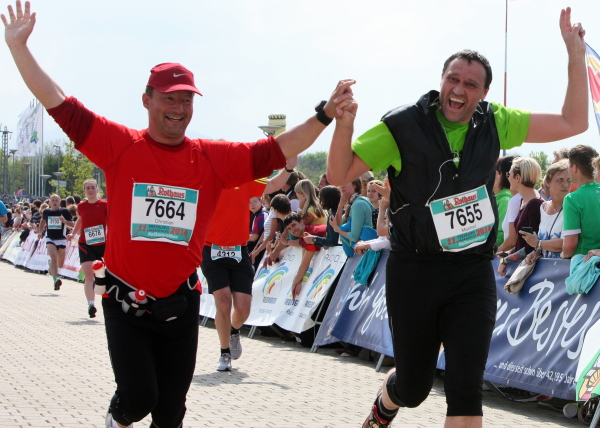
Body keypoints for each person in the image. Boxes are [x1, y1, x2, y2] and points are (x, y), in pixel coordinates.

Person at [2, 2, 356, 427]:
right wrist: (19, 47)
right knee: (137, 400)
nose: (178, 107)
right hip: (126, 303)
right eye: (169, 98)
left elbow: (276, 150)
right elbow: (59, 103)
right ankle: (118, 415)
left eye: (186, 99)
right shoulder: (119, 145)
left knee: (170, 415)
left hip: (180, 304)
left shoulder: (210, 157)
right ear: (147, 100)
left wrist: (324, 114)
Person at [326, 8, 588, 427]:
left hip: (471, 271)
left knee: (466, 388)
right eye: (453, 79)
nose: (459, 90)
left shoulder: (496, 122)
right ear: (441, 80)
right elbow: (339, 174)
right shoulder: (403, 126)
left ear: (483, 93)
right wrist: (344, 125)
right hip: (415, 270)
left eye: (470, 84)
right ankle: (386, 403)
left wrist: (574, 55)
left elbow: (573, 122)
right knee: (414, 387)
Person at [201, 161, 297, 373]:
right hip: (212, 250)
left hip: (238, 251)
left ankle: (234, 330)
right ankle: (224, 353)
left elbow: (273, 185)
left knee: (243, 309)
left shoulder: (245, 182)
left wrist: (288, 169)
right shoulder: (206, 181)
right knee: (223, 302)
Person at [66, 178, 108, 318]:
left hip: (102, 244)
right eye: (87, 188)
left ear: (97, 189)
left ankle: (108, 303)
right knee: (89, 275)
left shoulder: (104, 205)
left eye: (92, 187)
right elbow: (80, 220)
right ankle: (91, 304)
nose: (90, 190)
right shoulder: (81, 206)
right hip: (85, 244)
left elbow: (111, 221)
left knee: (103, 276)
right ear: (84, 191)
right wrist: (73, 233)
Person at [497, 157, 543, 276]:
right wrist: (507, 254)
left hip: (531, 270)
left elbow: (531, 246)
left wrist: (506, 260)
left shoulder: (535, 204)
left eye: (509, 174)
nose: (508, 178)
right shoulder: (524, 201)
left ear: (518, 178)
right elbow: (521, 243)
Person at [522, 160, 570, 263]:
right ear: (548, 182)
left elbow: (566, 244)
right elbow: (543, 242)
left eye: (569, 180)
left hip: (564, 269)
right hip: (546, 270)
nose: (566, 185)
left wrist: (537, 243)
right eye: (560, 180)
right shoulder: (543, 207)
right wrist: (536, 252)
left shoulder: (573, 207)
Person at [561, 145, 600, 259]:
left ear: (574, 168)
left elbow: (570, 245)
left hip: (584, 261)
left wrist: (563, 255)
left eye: (568, 165)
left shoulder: (572, 198)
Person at [282, 213, 326, 298]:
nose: (293, 230)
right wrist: (299, 281)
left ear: (301, 222)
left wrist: (294, 284)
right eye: (289, 228)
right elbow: (303, 261)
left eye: (294, 225)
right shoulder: (304, 235)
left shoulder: (309, 234)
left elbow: (305, 263)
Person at [38, 194, 74, 290]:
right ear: (49, 202)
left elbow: (73, 224)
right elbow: (42, 220)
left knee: (60, 264)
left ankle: (52, 267)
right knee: (54, 258)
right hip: (50, 238)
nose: (54, 202)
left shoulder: (64, 211)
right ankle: (55, 279)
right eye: (53, 200)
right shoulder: (46, 211)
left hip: (61, 239)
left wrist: (65, 221)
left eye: (56, 200)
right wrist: (40, 231)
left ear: (59, 202)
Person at [493, 156, 516, 246]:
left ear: (501, 175)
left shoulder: (505, 200)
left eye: (494, 170)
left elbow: (501, 236)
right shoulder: (497, 198)